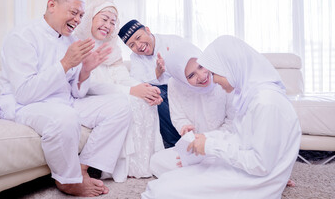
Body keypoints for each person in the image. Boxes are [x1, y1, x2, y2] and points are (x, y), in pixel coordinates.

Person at [0, 0, 132, 197]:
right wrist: (66, 63)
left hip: (64, 102)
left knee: (121, 105)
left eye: (81, 15)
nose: (78, 20)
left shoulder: (71, 39)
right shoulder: (22, 36)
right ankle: (67, 180)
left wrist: (85, 70)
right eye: (73, 13)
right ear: (52, 5)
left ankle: (84, 166)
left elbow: (76, 92)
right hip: (27, 105)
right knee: (65, 117)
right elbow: (24, 93)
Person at [142, 35, 301, 199]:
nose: (212, 79)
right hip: (242, 165)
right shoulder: (253, 96)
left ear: (231, 67)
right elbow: (241, 139)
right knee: (164, 182)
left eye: (214, 72)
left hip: (257, 180)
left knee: (163, 191)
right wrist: (205, 143)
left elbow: (261, 165)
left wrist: (210, 147)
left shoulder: (266, 102)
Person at [74, 0, 164, 182]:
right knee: (128, 101)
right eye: (104, 19)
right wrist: (131, 90)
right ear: (91, 18)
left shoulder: (112, 48)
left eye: (112, 22)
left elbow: (122, 77)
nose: (108, 25)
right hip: (87, 96)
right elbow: (88, 85)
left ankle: (139, 164)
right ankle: (115, 166)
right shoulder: (77, 44)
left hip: (114, 91)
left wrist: (144, 88)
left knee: (144, 99)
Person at [149, 42, 235, 178]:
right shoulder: (174, 84)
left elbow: (232, 123)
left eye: (201, 66)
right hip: (194, 149)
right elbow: (178, 116)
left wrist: (208, 142)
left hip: (223, 144)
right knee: (156, 160)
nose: (202, 76)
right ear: (181, 78)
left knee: (229, 163)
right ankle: (205, 175)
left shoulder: (223, 78)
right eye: (191, 76)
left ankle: (199, 176)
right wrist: (184, 128)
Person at [118, 20, 184, 148]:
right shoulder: (135, 57)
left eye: (138, 38)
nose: (138, 46)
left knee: (158, 91)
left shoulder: (173, 42)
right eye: (132, 45)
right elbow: (136, 82)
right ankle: (174, 146)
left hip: (183, 86)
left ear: (147, 30)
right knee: (151, 94)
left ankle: (179, 143)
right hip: (161, 93)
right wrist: (157, 74)